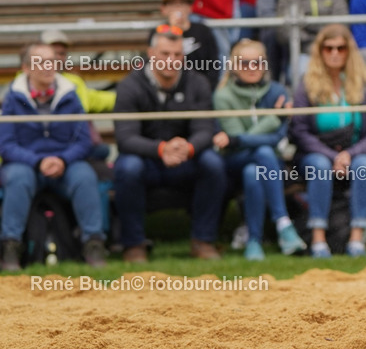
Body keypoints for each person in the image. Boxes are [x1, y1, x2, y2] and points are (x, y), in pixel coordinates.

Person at [113, 27, 227, 262]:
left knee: (213, 163)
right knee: (127, 167)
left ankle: (203, 241)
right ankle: (133, 245)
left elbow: (205, 130)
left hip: (185, 158)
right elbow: (125, 138)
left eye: (177, 55)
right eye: (165, 54)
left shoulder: (198, 82)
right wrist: (161, 149)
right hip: (148, 160)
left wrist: (189, 148)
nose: (171, 60)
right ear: (151, 53)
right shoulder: (129, 86)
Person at [0, 44, 107, 271]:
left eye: (52, 61)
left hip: (65, 164)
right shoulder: (11, 98)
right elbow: (6, 145)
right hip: (26, 165)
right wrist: (38, 162)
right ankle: (11, 247)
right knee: (17, 178)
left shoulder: (70, 94)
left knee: (84, 176)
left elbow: (84, 141)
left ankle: (94, 244)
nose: (49, 67)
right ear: (26, 68)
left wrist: (62, 160)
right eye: (41, 62)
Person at [289, 25, 366, 257]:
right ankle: (318, 239)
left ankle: (356, 238)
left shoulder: (364, 84)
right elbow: (299, 131)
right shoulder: (307, 85)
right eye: (328, 48)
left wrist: (349, 155)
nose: (334, 53)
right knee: (320, 167)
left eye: (341, 48)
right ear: (320, 51)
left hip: (356, 151)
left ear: (348, 51)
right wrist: (334, 157)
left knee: (364, 165)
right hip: (317, 153)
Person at [211, 39, 307, 259]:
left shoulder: (277, 90)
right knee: (262, 152)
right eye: (245, 63)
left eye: (257, 62)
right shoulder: (223, 95)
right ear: (233, 66)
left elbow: (277, 137)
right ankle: (283, 224)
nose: (252, 68)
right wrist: (274, 117)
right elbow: (237, 142)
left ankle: (254, 241)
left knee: (254, 171)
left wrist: (238, 138)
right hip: (233, 160)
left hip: (267, 163)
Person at [275, 0, 349, 74]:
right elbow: (284, 33)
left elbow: (341, 26)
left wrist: (324, 43)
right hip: (304, 52)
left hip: (334, 48)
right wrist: (313, 43)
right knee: (302, 69)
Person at [157, 0, 221, 90]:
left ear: (190, 8)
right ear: (163, 9)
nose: (178, 8)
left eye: (182, 3)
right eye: (172, 4)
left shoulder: (203, 31)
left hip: (199, 89)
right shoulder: (158, 32)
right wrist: (174, 29)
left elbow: (213, 65)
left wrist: (207, 89)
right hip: (167, 89)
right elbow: (156, 65)